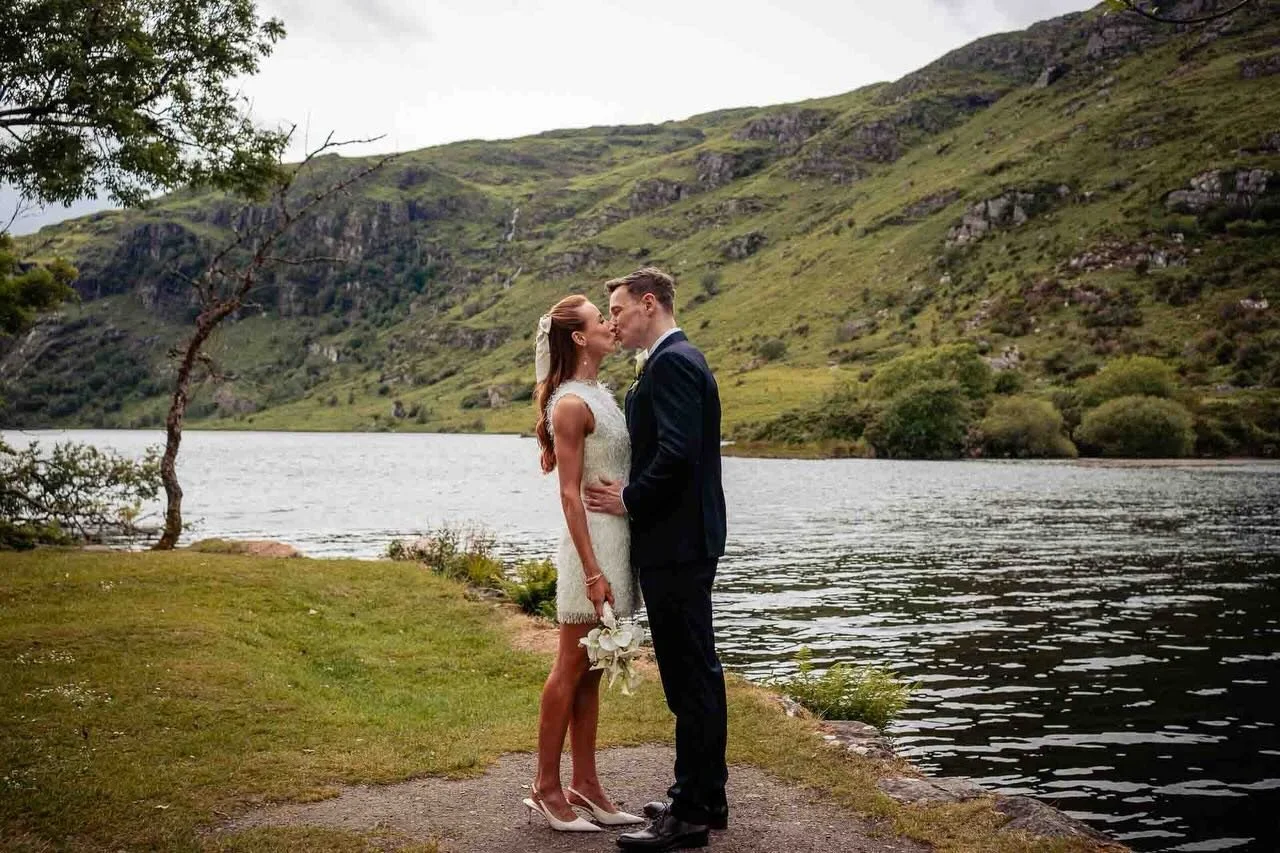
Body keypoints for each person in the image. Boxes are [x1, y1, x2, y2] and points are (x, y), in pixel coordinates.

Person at [585, 267, 729, 852]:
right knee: (694, 673)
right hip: (683, 541)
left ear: (650, 303)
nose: (613, 320)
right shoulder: (678, 359)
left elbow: (677, 454)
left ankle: (692, 815)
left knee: (690, 677)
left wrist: (627, 498)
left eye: (618, 309)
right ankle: (697, 794)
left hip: (677, 543)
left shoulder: (672, 362)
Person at [522, 294, 646, 833]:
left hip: (617, 542)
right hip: (588, 549)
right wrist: (593, 572)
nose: (611, 325)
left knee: (593, 670)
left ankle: (587, 785)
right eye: (601, 321)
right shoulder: (571, 404)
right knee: (570, 666)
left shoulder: (601, 394)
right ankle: (545, 787)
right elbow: (570, 496)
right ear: (578, 337)